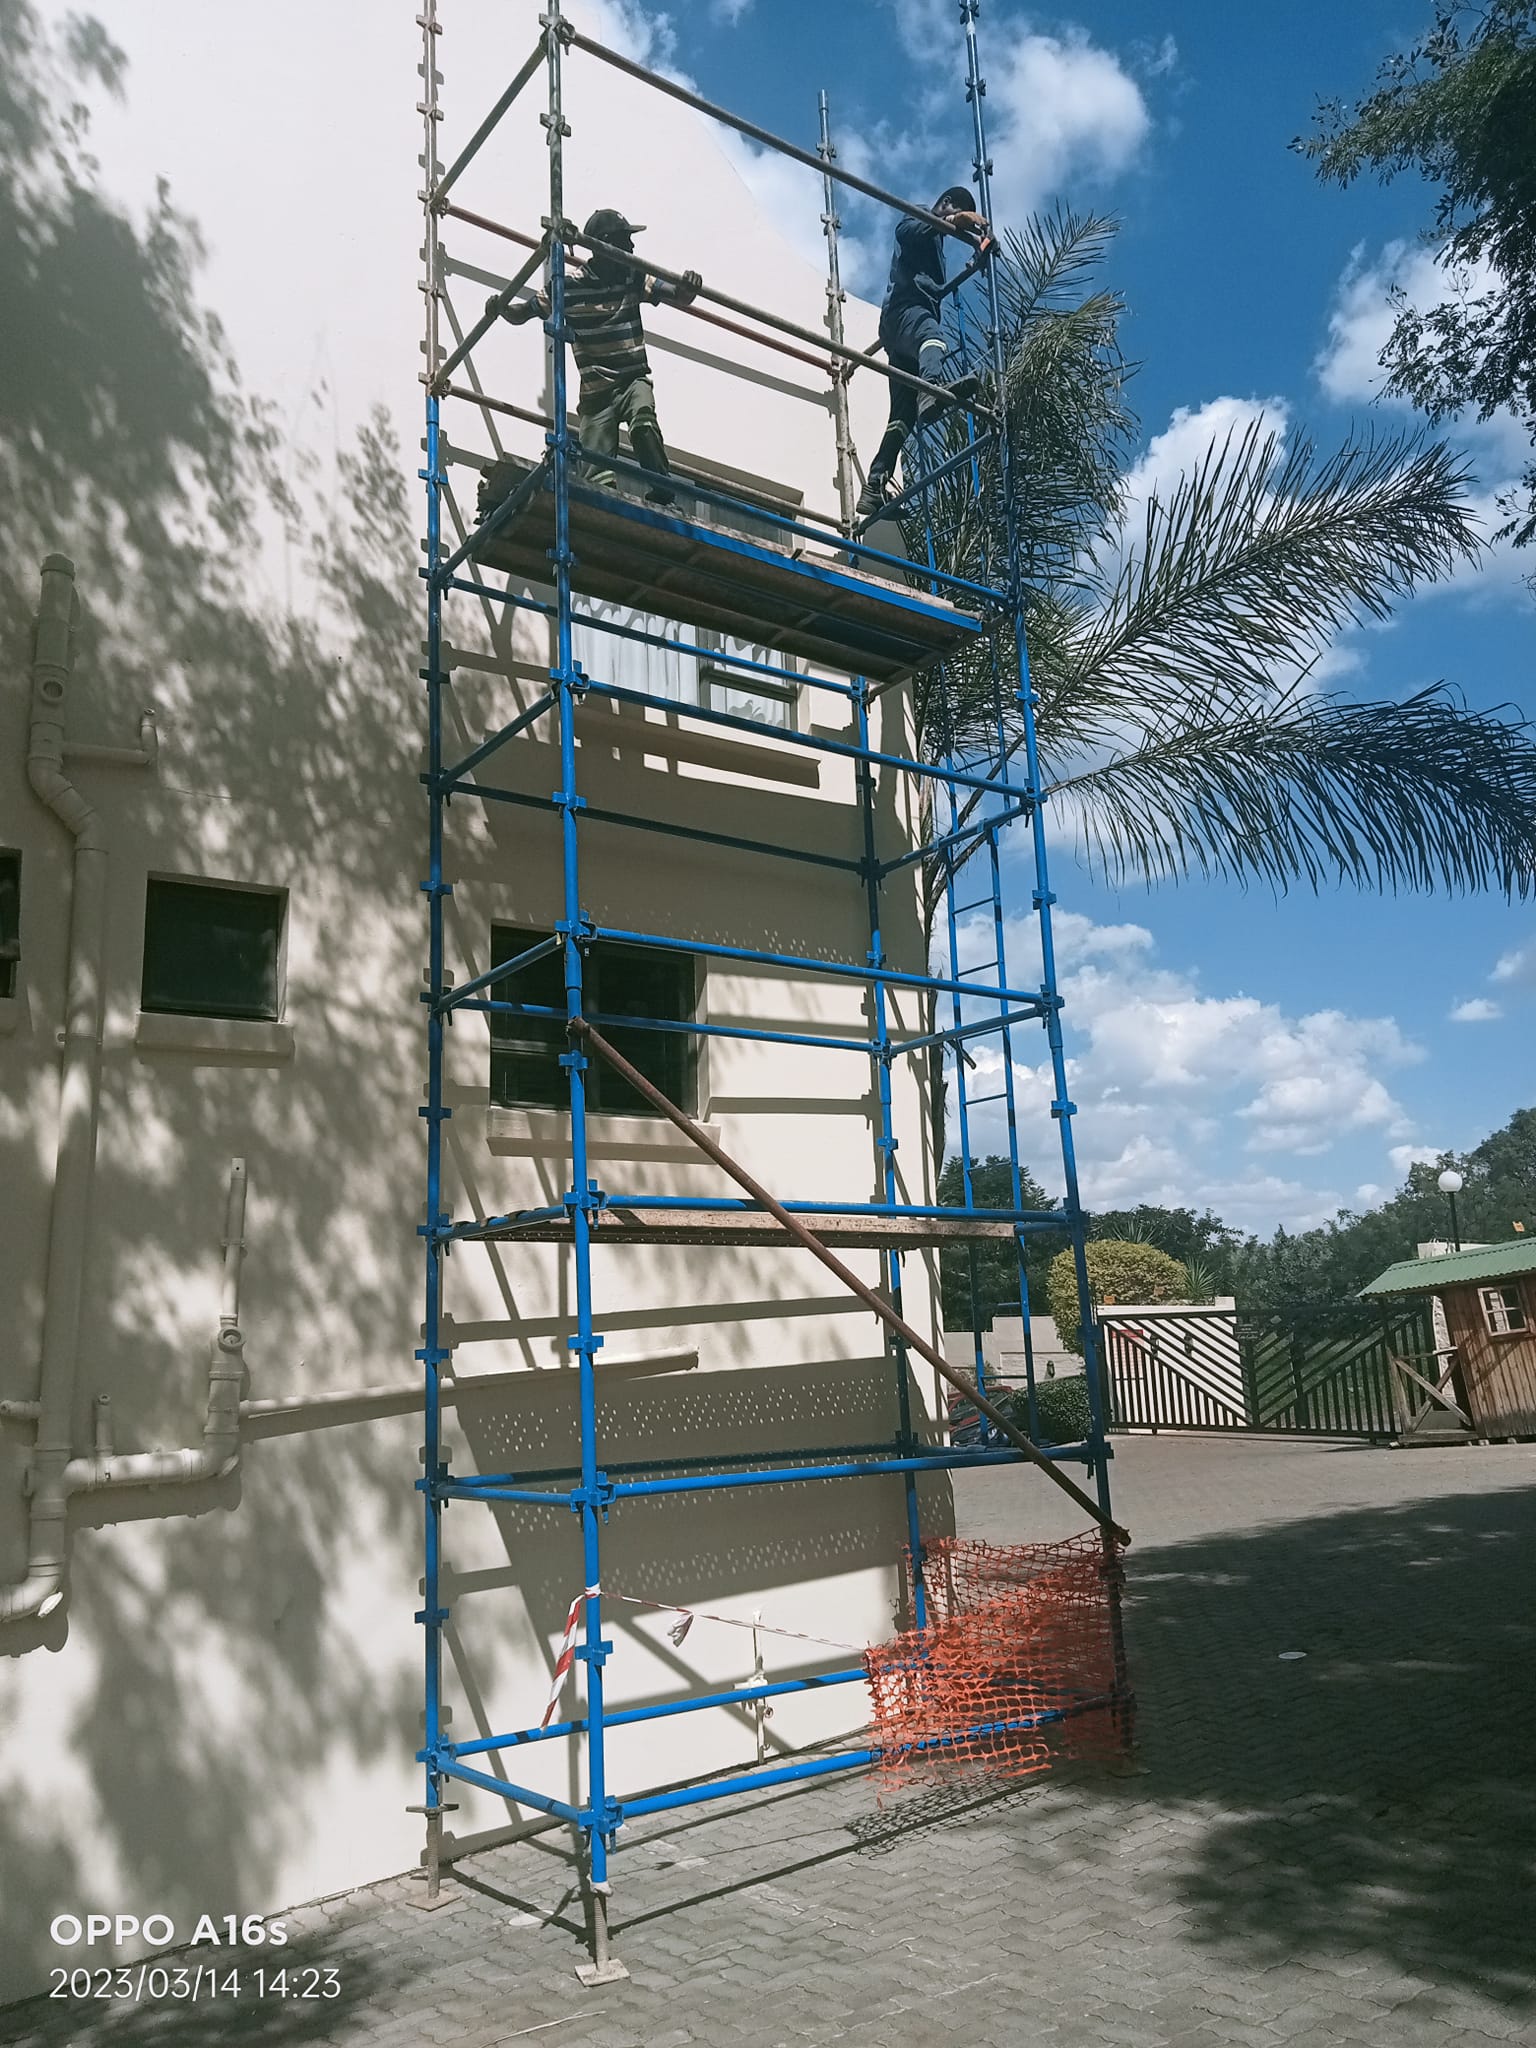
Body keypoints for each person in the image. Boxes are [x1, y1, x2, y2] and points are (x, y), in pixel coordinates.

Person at [493, 208, 701, 504]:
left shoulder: (632, 275)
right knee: (597, 479)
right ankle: (607, 507)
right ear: (606, 245)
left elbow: (678, 295)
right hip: (596, 395)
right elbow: (524, 312)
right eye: (625, 241)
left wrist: (688, 286)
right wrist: (501, 308)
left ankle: (662, 489)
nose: (632, 248)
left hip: (632, 381)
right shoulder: (567, 286)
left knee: (644, 424)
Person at [856, 186, 992, 523]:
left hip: (904, 329)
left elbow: (938, 290)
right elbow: (907, 231)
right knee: (933, 337)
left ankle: (874, 485)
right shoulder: (918, 217)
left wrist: (976, 261)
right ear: (946, 204)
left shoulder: (937, 249)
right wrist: (960, 219)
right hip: (905, 313)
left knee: (902, 415)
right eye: (955, 212)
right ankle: (931, 389)